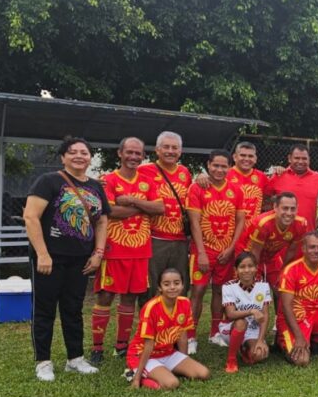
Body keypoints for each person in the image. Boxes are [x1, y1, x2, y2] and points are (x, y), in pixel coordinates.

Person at [24, 136, 108, 381]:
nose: (79, 156)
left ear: (90, 157)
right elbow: (31, 217)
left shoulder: (95, 186)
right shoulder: (48, 181)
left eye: (84, 152)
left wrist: (98, 253)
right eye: (73, 152)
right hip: (49, 258)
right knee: (45, 310)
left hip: (81, 258)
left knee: (73, 309)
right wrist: (42, 253)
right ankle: (43, 361)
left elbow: (102, 220)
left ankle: (75, 358)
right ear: (63, 157)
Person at [90, 137, 164, 365]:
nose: (133, 157)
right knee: (105, 295)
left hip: (141, 250)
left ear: (143, 156)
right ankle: (97, 348)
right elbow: (109, 210)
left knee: (130, 298)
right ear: (120, 153)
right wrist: (143, 209)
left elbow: (160, 208)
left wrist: (131, 201)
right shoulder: (108, 180)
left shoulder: (148, 180)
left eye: (138, 153)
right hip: (114, 248)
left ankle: (121, 346)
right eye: (129, 152)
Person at [186, 150, 246, 353]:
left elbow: (239, 222)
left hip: (226, 253)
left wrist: (231, 248)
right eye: (216, 166)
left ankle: (215, 332)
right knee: (198, 291)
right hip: (203, 251)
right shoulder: (197, 188)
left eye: (224, 166)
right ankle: (191, 336)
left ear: (230, 167)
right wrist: (201, 252)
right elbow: (194, 223)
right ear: (208, 165)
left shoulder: (236, 191)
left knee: (220, 291)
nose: (219, 170)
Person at [128, 268, 210, 390]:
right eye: (167, 284)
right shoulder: (151, 308)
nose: (172, 287)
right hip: (143, 355)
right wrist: (137, 379)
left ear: (182, 285)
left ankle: (164, 372)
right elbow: (148, 345)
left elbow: (182, 335)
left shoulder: (185, 303)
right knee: (172, 384)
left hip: (168, 352)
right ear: (160, 287)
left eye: (176, 283)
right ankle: (134, 374)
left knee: (204, 374)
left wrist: (183, 360)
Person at [138, 131, 192, 298]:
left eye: (174, 148)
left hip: (180, 239)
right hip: (155, 238)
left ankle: (175, 320)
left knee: (180, 284)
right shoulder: (143, 170)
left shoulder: (185, 172)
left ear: (180, 151)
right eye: (166, 147)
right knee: (151, 285)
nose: (170, 151)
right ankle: (150, 320)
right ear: (157, 150)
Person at [277, 232, 318, 365]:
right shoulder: (291, 270)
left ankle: (313, 340)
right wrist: (299, 337)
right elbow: (286, 307)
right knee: (302, 361)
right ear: (304, 249)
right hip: (295, 318)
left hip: (316, 314)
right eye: (312, 247)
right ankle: (283, 341)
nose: (316, 251)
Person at [233, 192, 308, 298]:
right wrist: (253, 274)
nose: (289, 213)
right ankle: (237, 312)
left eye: (293, 209)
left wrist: (284, 271)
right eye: (285, 208)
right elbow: (255, 253)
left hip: (271, 255)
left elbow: (292, 251)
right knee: (249, 289)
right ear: (275, 207)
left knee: (281, 287)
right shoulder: (263, 223)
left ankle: (279, 315)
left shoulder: (301, 224)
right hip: (248, 253)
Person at [218, 252, 272, 373]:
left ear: (256, 268)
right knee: (241, 322)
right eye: (242, 267)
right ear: (236, 270)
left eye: (250, 266)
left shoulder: (263, 286)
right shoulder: (228, 286)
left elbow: (265, 315)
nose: (247, 270)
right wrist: (252, 311)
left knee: (260, 354)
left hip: (253, 330)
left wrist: (260, 340)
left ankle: (243, 348)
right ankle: (231, 359)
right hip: (232, 328)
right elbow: (231, 314)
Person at [195, 141, 268, 223]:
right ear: (235, 157)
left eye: (250, 156)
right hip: (228, 230)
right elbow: (207, 182)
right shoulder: (224, 174)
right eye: (242, 155)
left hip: (253, 230)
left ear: (255, 159)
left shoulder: (262, 177)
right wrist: (200, 176)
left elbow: (268, 198)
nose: (246, 159)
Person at [264, 143, 318, 229]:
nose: (300, 161)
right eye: (297, 158)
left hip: (307, 235)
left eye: (304, 159)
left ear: (309, 160)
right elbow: (264, 199)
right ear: (289, 158)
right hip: (280, 236)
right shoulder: (278, 176)